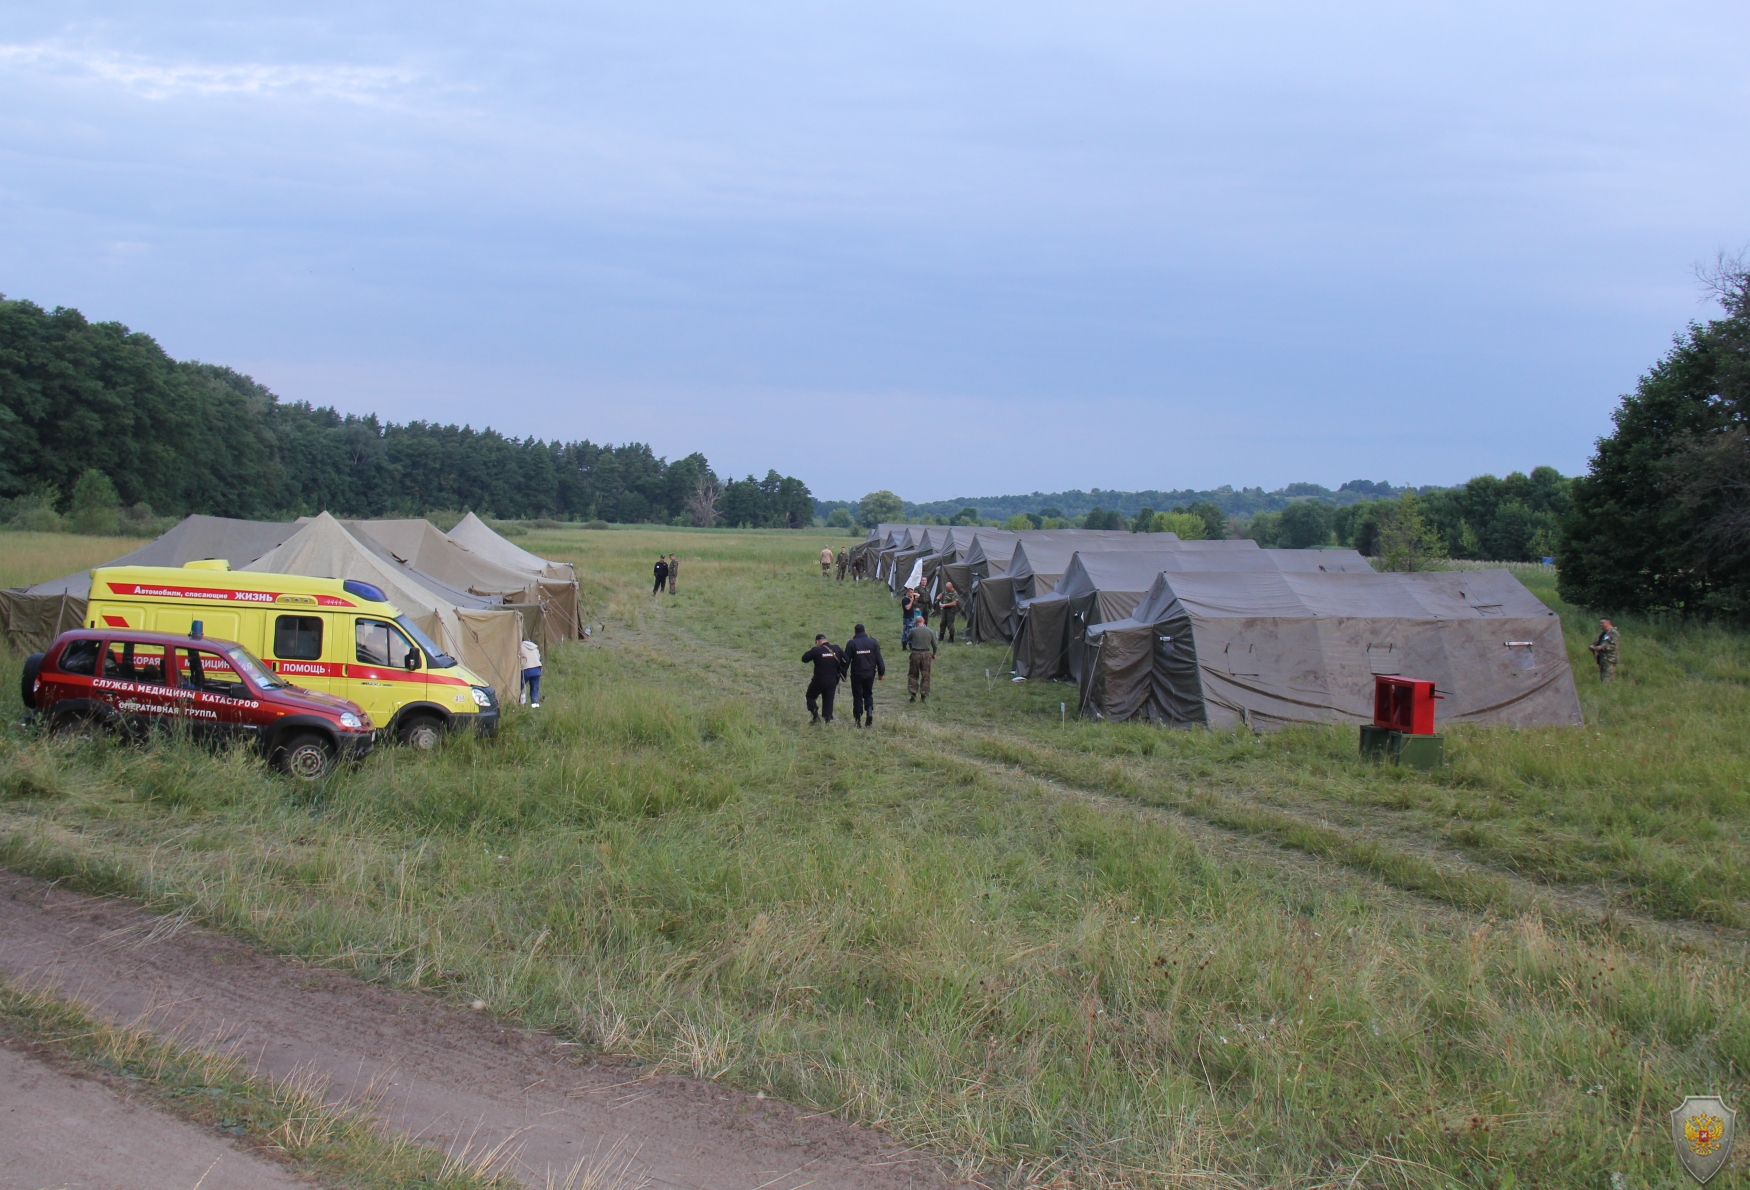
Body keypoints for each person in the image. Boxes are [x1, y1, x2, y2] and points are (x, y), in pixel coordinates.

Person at [844, 622, 885, 727]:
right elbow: (879, 659)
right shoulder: (873, 642)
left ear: (855, 632)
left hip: (857, 674)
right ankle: (869, 711)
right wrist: (881, 673)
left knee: (857, 696)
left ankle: (858, 720)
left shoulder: (851, 643)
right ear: (864, 631)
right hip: (870, 673)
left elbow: (846, 660)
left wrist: (842, 673)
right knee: (868, 693)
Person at [801, 633, 846, 724]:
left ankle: (815, 716)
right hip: (832, 679)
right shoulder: (837, 648)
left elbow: (804, 659)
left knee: (810, 696)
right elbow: (846, 659)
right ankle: (828, 720)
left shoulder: (816, 650)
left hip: (819, 680)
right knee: (828, 699)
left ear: (817, 642)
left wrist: (811, 650)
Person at [906, 611, 937, 702]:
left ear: (916, 623)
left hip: (915, 653)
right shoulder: (930, 631)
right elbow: (935, 645)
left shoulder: (913, 630)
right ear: (924, 621)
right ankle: (924, 695)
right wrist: (934, 654)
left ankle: (913, 695)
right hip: (926, 654)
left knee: (913, 674)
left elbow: (907, 639)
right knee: (925, 675)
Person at [1588, 618, 1619, 682]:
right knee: (1602, 677)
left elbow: (1614, 646)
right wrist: (1593, 646)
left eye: (1602, 623)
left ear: (1608, 623)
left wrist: (1602, 648)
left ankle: (1608, 690)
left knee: (1607, 678)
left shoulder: (1613, 633)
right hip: (1602, 658)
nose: (1600, 624)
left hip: (1609, 659)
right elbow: (1596, 642)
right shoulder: (1602, 633)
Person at [519, 638, 543, 707]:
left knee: (520, 687)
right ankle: (535, 705)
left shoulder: (521, 647)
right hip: (537, 669)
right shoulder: (535, 647)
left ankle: (521, 702)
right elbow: (538, 657)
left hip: (526, 669)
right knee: (535, 688)